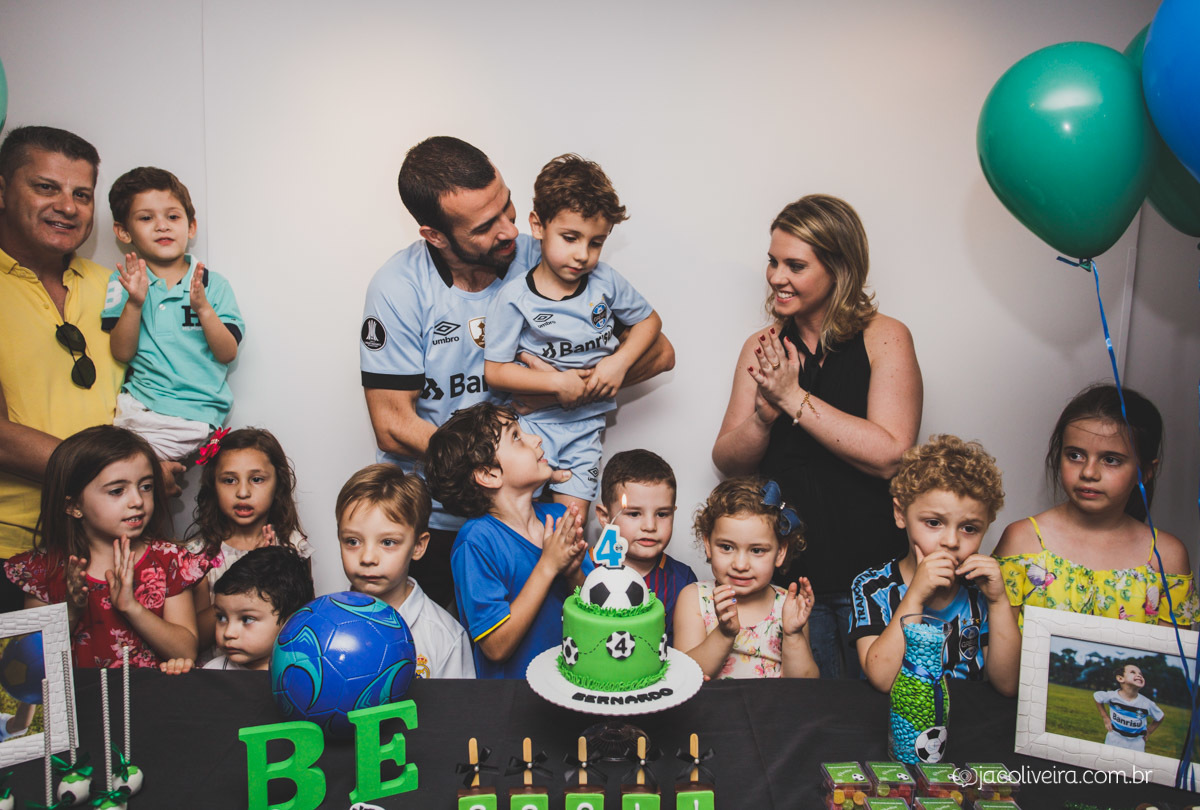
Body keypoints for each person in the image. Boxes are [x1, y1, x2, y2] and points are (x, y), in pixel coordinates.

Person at [360, 136, 674, 609]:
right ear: (436, 235)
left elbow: (658, 352)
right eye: (486, 226)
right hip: (438, 522)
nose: (510, 230)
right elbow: (391, 423)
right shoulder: (398, 288)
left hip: (534, 516)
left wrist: (564, 389)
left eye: (507, 207)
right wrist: (494, 468)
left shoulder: (550, 251)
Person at [711, 194, 921, 679]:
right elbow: (728, 460)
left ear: (839, 269)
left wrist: (792, 397)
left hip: (873, 578)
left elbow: (892, 454)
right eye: (773, 261)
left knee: (874, 710)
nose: (776, 277)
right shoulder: (762, 347)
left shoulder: (885, 337)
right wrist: (762, 419)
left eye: (795, 265)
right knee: (801, 713)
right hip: (786, 583)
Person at [0, 127, 182, 608]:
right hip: (15, 549)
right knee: (24, 662)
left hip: (118, 551)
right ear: (2, 190)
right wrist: (125, 472)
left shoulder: (118, 284)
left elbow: (161, 381)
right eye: (46, 187)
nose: (67, 206)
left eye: (81, 194)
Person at [483, 154, 662, 514]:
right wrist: (557, 384)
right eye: (570, 238)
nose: (583, 255)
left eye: (596, 243)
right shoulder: (515, 298)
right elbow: (496, 371)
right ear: (538, 226)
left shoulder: (606, 282)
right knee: (518, 520)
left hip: (585, 431)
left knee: (572, 525)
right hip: (529, 431)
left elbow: (650, 322)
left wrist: (619, 363)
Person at [4, 426, 210, 668]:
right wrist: (70, 612)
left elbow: (185, 651)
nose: (137, 501)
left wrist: (131, 608)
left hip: (152, 691)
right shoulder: (44, 570)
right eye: (117, 491)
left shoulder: (170, 560)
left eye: (146, 486)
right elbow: (29, 664)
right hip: (82, 693)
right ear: (73, 506)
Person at [993, 384, 1197, 627]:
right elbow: (994, 641)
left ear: (1145, 471)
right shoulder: (1023, 541)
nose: (1089, 472)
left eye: (1111, 460)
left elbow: (1171, 651)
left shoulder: (1166, 556)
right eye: (1075, 456)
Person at [425, 402, 592, 679]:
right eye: (516, 436)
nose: (536, 439)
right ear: (489, 474)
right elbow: (496, 647)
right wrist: (548, 565)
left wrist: (573, 572)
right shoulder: (476, 543)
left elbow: (595, 609)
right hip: (512, 698)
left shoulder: (558, 518)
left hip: (570, 684)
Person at [849, 435, 1020, 697]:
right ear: (900, 513)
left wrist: (998, 603)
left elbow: (1008, 685)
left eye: (969, 528)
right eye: (933, 523)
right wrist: (916, 596)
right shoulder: (872, 587)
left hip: (965, 716)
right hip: (896, 718)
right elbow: (883, 680)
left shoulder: (981, 591)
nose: (951, 541)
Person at [103, 167, 244, 462]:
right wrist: (135, 303)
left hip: (196, 414)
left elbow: (228, 353)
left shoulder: (213, 284)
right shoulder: (124, 282)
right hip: (139, 408)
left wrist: (203, 308)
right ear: (124, 231)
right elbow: (121, 352)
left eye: (173, 217)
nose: (162, 226)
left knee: (129, 473)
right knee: (105, 470)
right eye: (146, 218)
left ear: (191, 227)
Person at [337, 464, 474, 679]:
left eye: (388, 542)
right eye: (353, 541)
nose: (367, 558)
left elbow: (458, 701)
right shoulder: (322, 625)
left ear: (418, 546)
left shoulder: (446, 637)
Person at [674, 477, 818, 679]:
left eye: (757, 550)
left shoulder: (789, 606)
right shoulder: (695, 599)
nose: (740, 565)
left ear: (780, 552)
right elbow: (683, 677)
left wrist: (793, 635)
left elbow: (805, 685)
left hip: (773, 701)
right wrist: (724, 634)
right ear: (708, 544)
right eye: (727, 547)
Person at [184, 428, 312, 651]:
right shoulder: (198, 554)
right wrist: (248, 571)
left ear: (278, 483)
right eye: (229, 480)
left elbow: (306, 621)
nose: (243, 492)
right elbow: (198, 638)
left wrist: (273, 569)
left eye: (257, 479)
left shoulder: (293, 546)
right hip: (217, 666)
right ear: (213, 485)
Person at [160, 545, 314, 673]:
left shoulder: (303, 675)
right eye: (221, 617)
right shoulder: (213, 672)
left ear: (290, 622)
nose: (228, 633)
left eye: (247, 619)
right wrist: (183, 677)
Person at [594, 449, 695, 644]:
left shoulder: (683, 580)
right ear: (605, 517)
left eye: (662, 514)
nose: (650, 526)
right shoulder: (583, 568)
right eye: (634, 514)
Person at [1094, 663, 1163, 752]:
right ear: (1120, 678)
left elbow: (1160, 717)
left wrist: (1148, 732)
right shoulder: (1112, 696)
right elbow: (1097, 697)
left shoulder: (1147, 704)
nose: (1139, 675)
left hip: (1136, 744)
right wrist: (1105, 718)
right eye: (1133, 672)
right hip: (1114, 739)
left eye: (1141, 674)